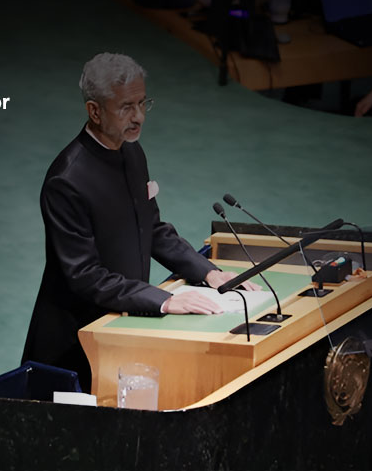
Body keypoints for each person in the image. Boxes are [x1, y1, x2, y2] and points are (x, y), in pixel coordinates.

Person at [21, 52, 259, 391]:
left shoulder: (132, 151)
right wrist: (162, 299)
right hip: (77, 343)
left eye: (142, 103)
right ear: (94, 111)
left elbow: (153, 229)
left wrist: (206, 271)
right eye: (126, 108)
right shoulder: (67, 180)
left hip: (125, 322)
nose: (139, 117)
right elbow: (85, 276)